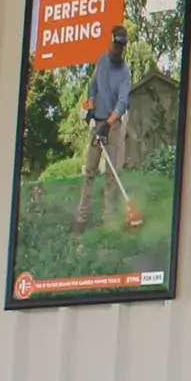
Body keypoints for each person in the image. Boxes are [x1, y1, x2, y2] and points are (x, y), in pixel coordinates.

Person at [72, 23, 131, 231]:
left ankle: (109, 221)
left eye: (121, 47)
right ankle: (82, 218)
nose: (117, 50)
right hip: (97, 121)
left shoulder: (125, 72)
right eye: (115, 45)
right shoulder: (103, 61)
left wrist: (108, 123)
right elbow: (93, 86)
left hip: (113, 125)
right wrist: (90, 107)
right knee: (89, 172)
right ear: (111, 42)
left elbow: (122, 103)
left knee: (111, 175)